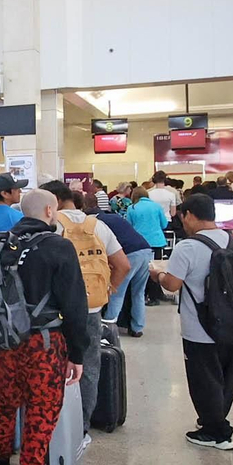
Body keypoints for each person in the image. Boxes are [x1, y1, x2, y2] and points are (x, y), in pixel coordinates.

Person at [0, 189, 89, 465]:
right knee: (41, 408)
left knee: (5, 402)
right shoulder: (58, 246)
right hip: (44, 343)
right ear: (49, 211)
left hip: (5, 340)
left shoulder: (0, 244)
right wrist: (77, 353)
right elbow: (75, 306)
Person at [150, 195, 233, 451]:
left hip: (199, 325)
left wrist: (158, 274)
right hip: (232, 322)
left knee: (204, 378)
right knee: (226, 375)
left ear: (190, 215)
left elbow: (173, 285)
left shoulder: (188, 247)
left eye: (183, 217)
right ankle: (215, 419)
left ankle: (216, 432)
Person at [43, 181, 129, 434]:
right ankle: (81, 426)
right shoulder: (98, 225)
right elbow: (123, 265)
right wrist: (108, 289)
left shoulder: (51, 225)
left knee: (52, 367)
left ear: (55, 200)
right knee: (88, 367)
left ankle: (53, 425)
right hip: (90, 309)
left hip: (54, 311)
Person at [96, 202, 155, 338]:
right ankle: (137, 328)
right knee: (138, 293)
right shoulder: (114, 217)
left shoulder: (96, 223)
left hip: (130, 254)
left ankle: (108, 328)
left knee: (117, 292)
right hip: (146, 250)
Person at [127, 187, 169, 258]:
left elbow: (129, 226)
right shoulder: (157, 206)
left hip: (139, 242)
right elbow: (164, 224)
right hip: (156, 241)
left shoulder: (131, 208)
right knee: (157, 263)